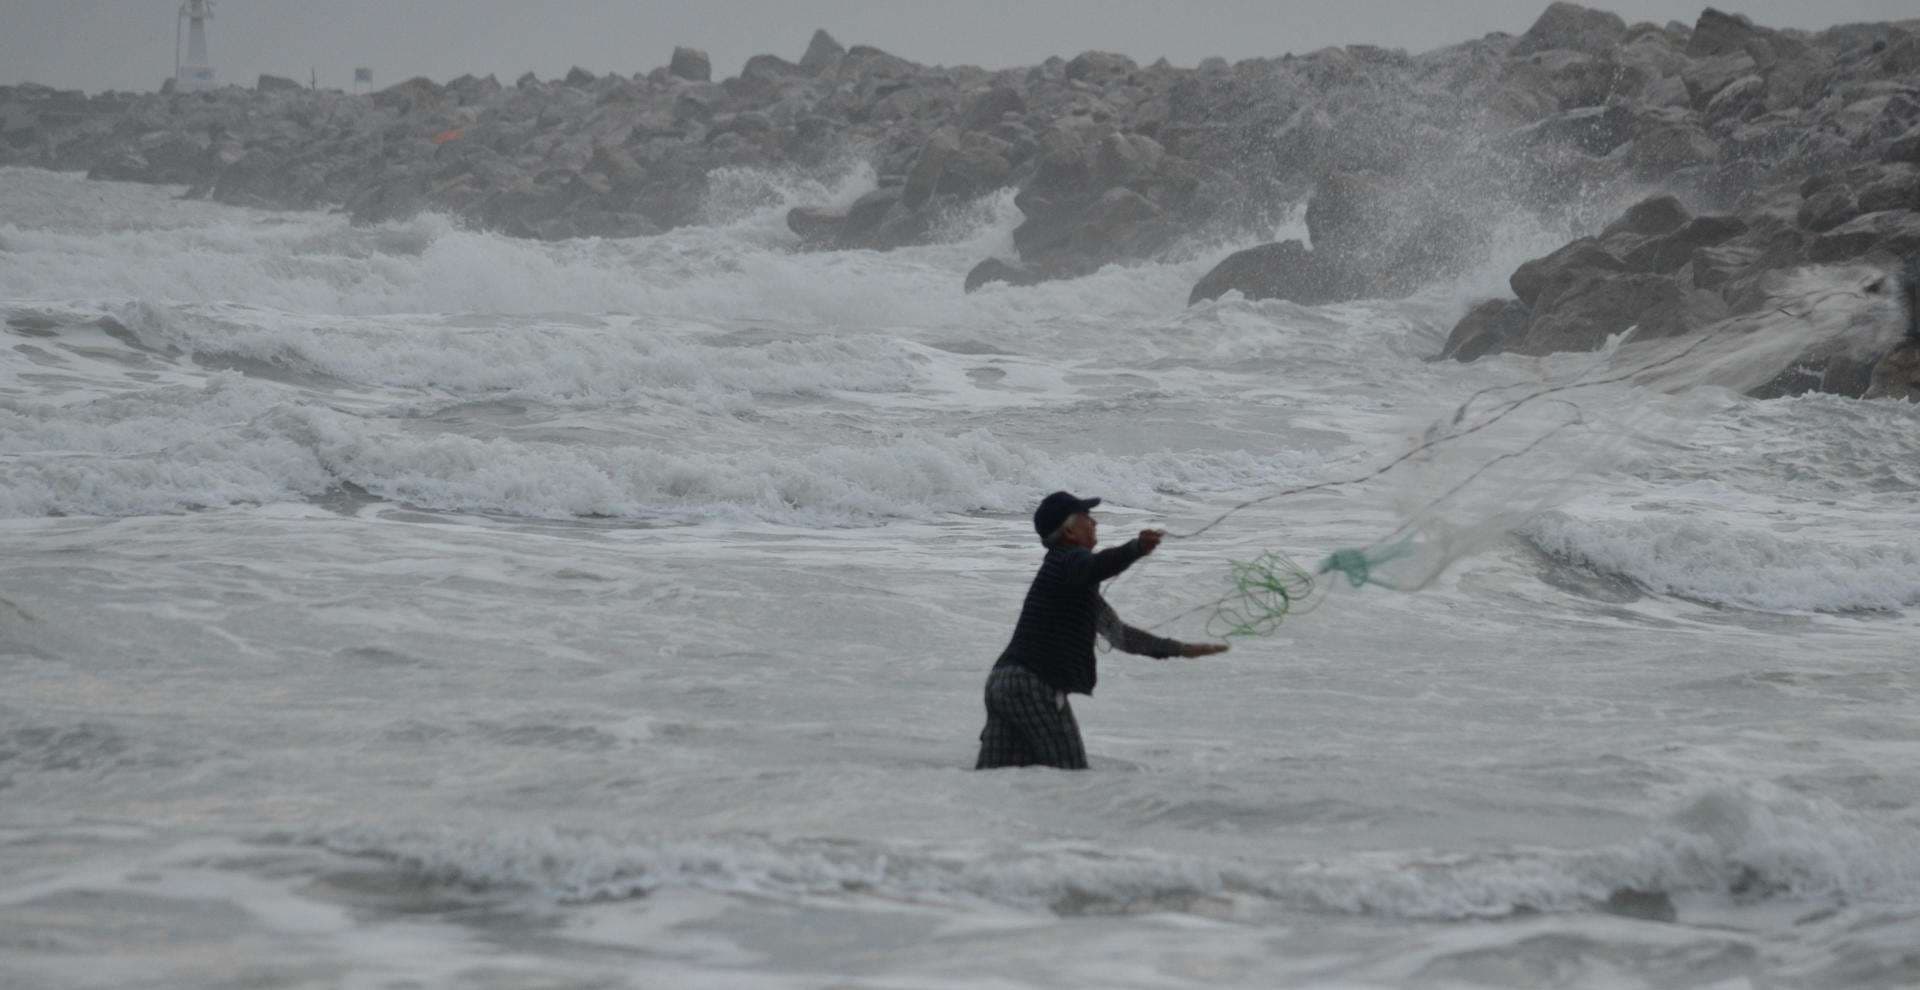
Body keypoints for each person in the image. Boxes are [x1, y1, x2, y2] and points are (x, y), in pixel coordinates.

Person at [975, 491, 1229, 770]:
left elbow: (1119, 635)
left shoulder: (1069, 582)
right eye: (1087, 518)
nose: (1094, 523)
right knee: (1070, 774)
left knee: (991, 777)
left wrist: (1179, 649)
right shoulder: (1066, 561)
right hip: (1032, 685)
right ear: (1070, 531)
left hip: (1002, 683)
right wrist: (1135, 548)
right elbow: (1097, 565)